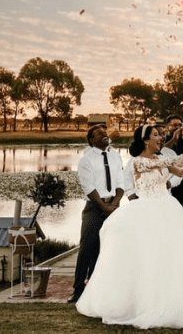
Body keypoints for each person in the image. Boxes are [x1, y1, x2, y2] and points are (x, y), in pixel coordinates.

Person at [76, 125, 183, 328]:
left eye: (160, 135)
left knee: (172, 256)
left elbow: (180, 173)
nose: (160, 138)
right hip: (147, 211)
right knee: (148, 257)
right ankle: (142, 303)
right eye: (155, 135)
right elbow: (167, 162)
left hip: (168, 209)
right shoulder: (138, 162)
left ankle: (173, 300)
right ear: (146, 140)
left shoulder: (159, 161)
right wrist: (182, 156)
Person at [69, 125, 125, 304]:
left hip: (114, 206)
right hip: (94, 207)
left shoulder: (115, 156)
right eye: (100, 134)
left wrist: (115, 203)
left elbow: (120, 181)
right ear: (91, 140)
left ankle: (99, 287)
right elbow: (89, 187)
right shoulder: (86, 160)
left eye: (105, 133)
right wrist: (103, 207)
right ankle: (78, 289)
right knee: (87, 247)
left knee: (108, 248)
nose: (105, 135)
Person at [163, 115, 183, 203]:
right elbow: (161, 153)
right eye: (174, 125)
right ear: (167, 127)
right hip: (169, 184)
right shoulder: (163, 140)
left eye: (179, 125)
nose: (177, 127)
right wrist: (174, 139)